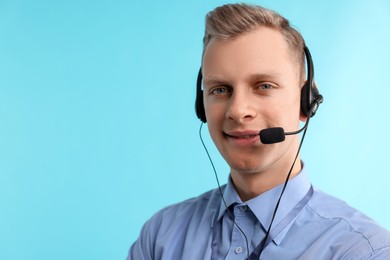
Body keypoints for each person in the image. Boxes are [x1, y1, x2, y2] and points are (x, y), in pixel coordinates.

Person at [128, 3, 390, 259]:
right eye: (220, 89)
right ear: (201, 105)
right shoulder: (160, 236)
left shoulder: (364, 251)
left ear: (306, 101)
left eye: (264, 86)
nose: (238, 110)